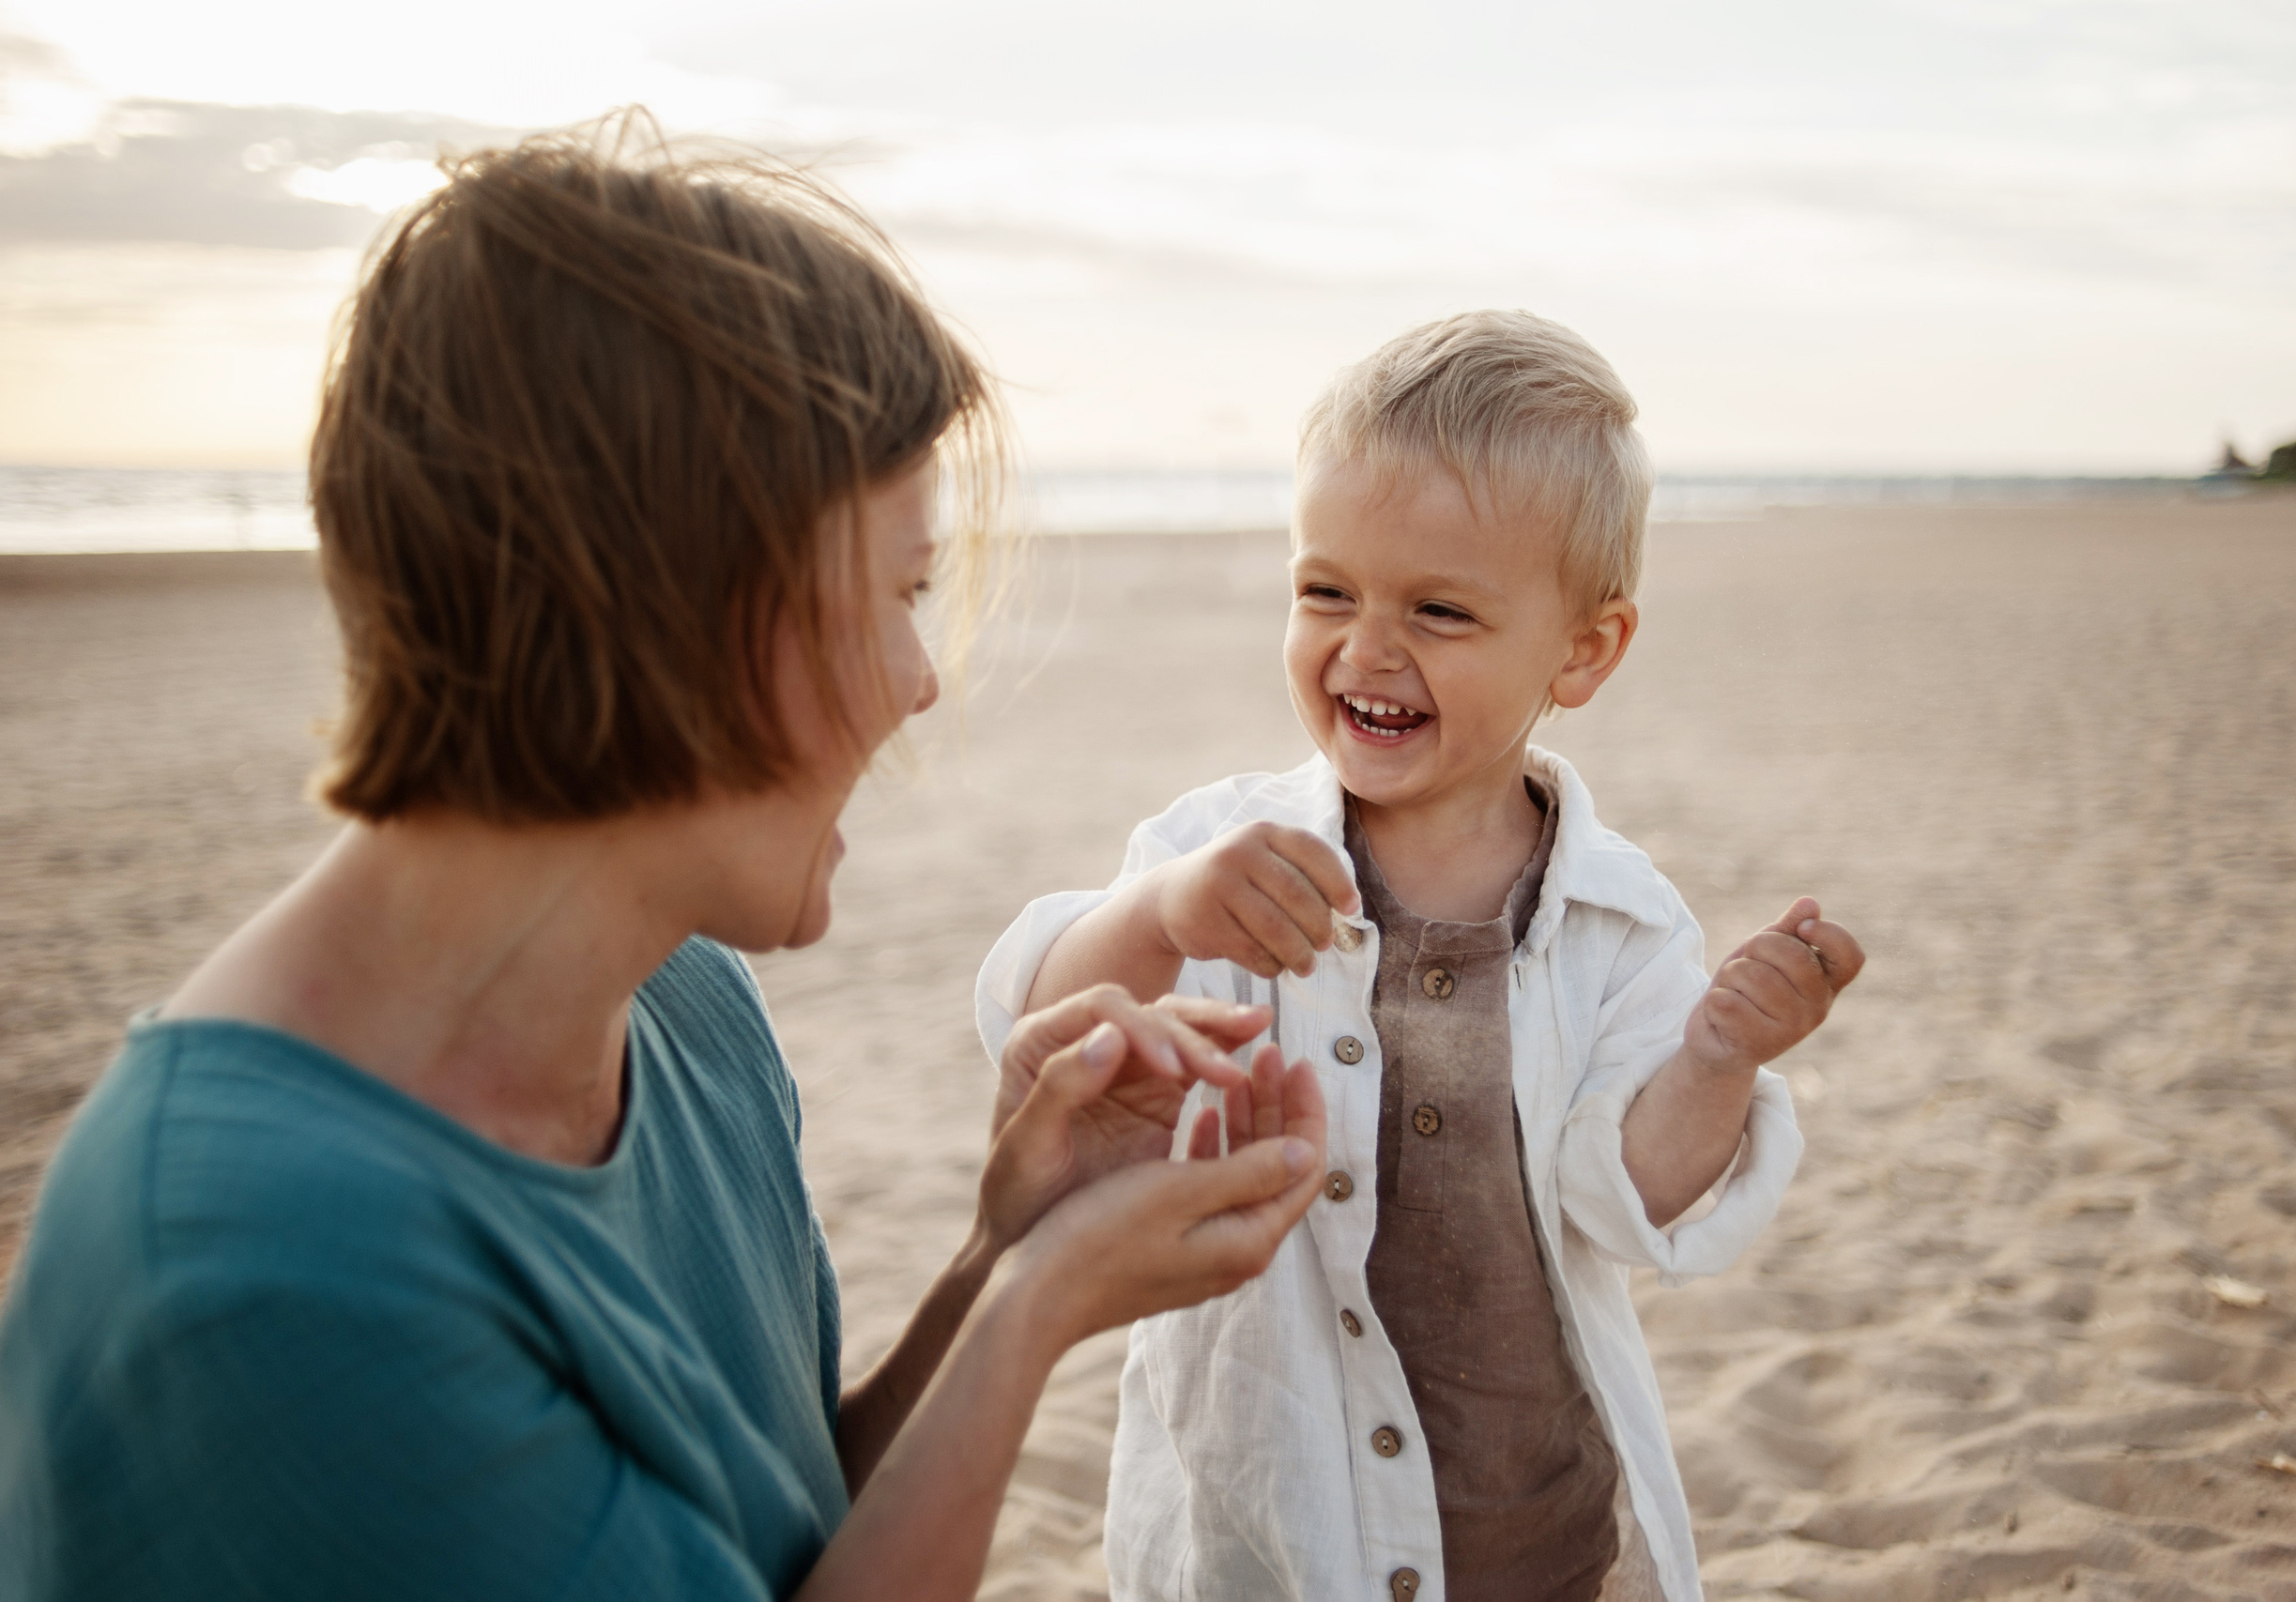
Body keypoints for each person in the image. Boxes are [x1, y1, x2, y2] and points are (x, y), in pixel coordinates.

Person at [0, 119, 1330, 1602]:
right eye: (901, 592)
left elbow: (776, 1542)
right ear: (677, 611)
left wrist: (1000, 1259)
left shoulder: (681, 1002)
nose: (919, 683)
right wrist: (1035, 1311)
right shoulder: (262, 1258)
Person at [975, 312, 1867, 1602]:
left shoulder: (1617, 918)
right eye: (1325, 591)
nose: (1367, 648)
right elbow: (1042, 1036)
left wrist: (1720, 1058)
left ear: (1584, 649)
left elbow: (1622, 1193)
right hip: (1276, 1530)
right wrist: (1162, 916)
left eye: (1439, 610)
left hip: (1526, 1522)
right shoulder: (1221, 862)